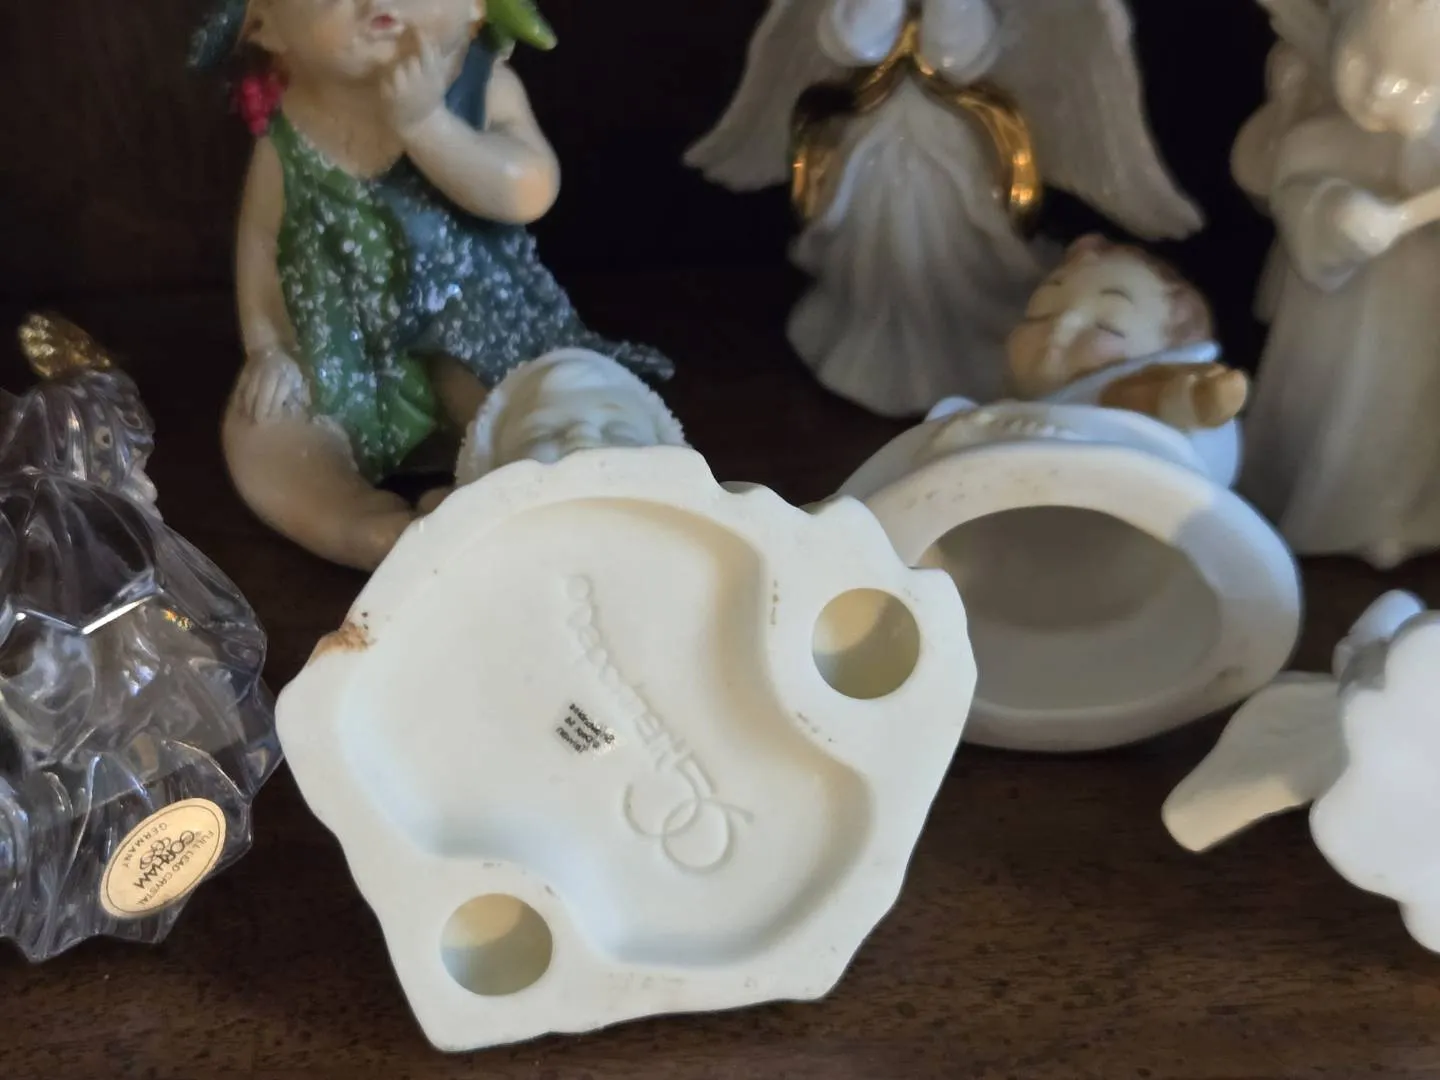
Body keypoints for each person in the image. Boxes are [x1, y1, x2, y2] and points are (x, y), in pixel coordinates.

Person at [192, 0, 672, 569]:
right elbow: (261, 242)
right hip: (339, 347)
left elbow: (529, 189)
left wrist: (426, 126)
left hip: (480, 330)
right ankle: (361, 525)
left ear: (477, 6)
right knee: (263, 429)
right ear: (266, 25)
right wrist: (268, 347)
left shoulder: (484, 89)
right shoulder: (289, 129)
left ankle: (511, 505)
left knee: (540, 408)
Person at [1240, 0, 1440, 568]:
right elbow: (1296, 205)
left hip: (1424, 320)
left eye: (1414, 85)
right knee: (1344, 418)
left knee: (1416, 415)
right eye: (1363, 63)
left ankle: (1412, 519)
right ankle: (1337, 516)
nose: (1378, 90)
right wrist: (1335, 218)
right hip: (1339, 323)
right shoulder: (1318, 139)